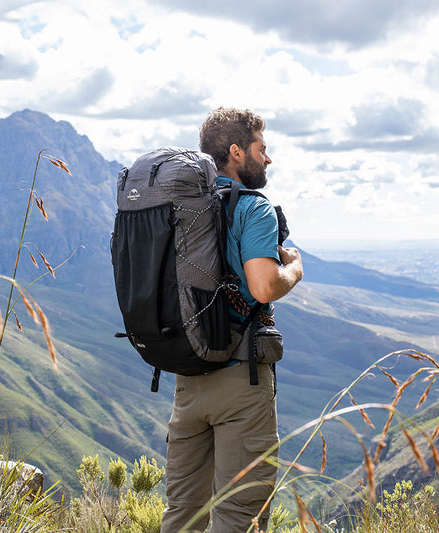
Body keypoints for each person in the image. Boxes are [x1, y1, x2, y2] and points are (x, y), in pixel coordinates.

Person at [160, 107, 303, 533]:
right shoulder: (253, 207)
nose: (268, 158)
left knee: (183, 513)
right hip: (241, 382)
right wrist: (294, 267)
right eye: (263, 148)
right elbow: (262, 287)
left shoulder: (182, 207)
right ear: (237, 152)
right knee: (238, 515)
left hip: (188, 375)